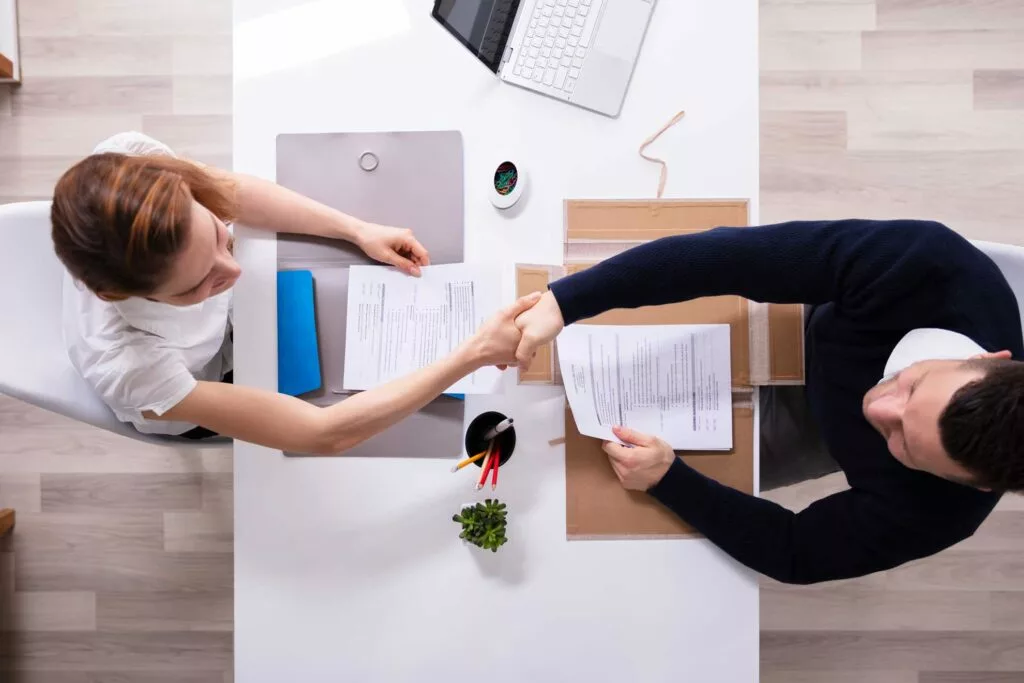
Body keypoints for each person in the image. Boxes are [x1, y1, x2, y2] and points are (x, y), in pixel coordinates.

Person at [513, 219, 1024, 584]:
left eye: (902, 444)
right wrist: (566, 301)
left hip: (817, 434)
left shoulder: (941, 513)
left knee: (577, 468)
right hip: (821, 324)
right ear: (989, 358)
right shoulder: (932, 267)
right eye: (912, 385)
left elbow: (796, 552)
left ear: (972, 485)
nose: (876, 410)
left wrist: (672, 481)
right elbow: (728, 258)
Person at [51, 132, 540, 454]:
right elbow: (322, 433)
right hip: (198, 388)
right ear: (125, 295)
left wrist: (355, 229)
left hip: (226, 334)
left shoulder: (131, 164)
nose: (235, 269)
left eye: (220, 238)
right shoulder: (131, 369)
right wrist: (471, 354)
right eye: (200, 283)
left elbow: (231, 193)